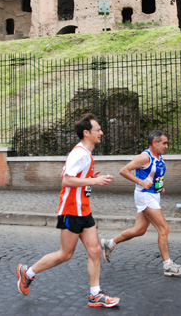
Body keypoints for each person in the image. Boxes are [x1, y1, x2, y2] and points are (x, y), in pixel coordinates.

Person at [16, 113, 120, 308]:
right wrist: (93, 180)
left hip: (84, 210)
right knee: (65, 254)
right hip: (71, 211)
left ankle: (95, 294)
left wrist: (89, 176)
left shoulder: (86, 154)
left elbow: (75, 177)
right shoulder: (79, 153)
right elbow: (66, 179)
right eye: (98, 130)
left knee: (95, 250)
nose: (102, 133)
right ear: (86, 133)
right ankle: (27, 273)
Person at [100, 130, 181, 277]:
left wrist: (159, 187)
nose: (166, 146)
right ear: (155, 142)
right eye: (164, 143)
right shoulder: (144, 157)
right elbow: (124, 170)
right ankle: (168, 265)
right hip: (145, 197)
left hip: (153, 195)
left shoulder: (158, 157)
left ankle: (109, 243)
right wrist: (141, 182)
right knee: (164, 229)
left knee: (139, 230)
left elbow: (153, 176)